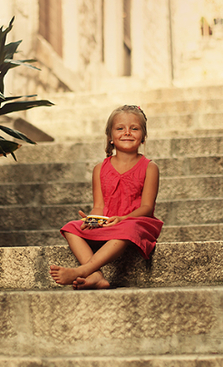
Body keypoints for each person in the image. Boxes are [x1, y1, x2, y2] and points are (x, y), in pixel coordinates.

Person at [49, 104, 163, 290]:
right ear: (110, 136)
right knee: (71, 228)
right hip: (108, 222)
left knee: (127, 229)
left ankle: (83, 270)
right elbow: (99, 206)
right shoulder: (100, 169)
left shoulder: (150, 167)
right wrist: (93, 219)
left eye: (134, 128)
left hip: (135, 223)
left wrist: (123, 218)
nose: (127, 132)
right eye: (120, 128)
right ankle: (96, 276)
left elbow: (147, 207)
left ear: (143, 136)